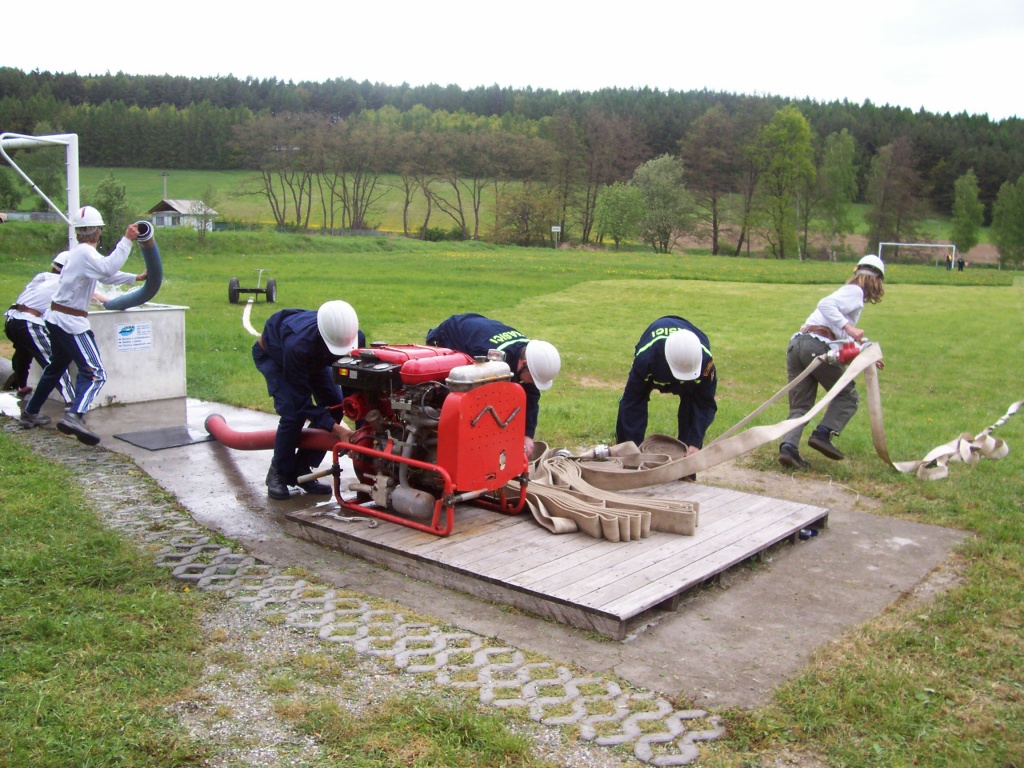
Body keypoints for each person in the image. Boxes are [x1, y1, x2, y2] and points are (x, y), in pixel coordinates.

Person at [19, 206, 146, 445]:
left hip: (56, 318)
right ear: (99, 231)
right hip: (70, 321)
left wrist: (134, 278)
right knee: (95, 373)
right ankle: (75, 415)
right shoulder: (86, 253)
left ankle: (30, 412)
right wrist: (127, 240)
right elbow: (107, 268)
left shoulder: (78, 253)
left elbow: (104, 274)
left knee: (56, 368)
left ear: (78, 232)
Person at [778, 254, 886, 469]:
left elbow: (841, 336)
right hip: (815, 345)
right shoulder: (855, 292)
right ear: (876, 280)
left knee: (800, 405)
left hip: (797, 345)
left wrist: (866, 351)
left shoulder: (847, 294)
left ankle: (788, 449)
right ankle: (823, 434)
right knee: (847, 396)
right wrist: (850, 328)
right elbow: (825, 304)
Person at [253, 301, 364, 500]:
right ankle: (279, 471)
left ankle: (301, 468)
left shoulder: (354, 338)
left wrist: (361, 432)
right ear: (323, 335)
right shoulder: (298, 346)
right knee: (292, 413)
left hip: (313, 360)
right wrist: (340, 431)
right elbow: (300, 403)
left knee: (335, 404)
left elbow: (354, 388)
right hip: (275, 357)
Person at [425, 313, 561, 458]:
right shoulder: (492, 359)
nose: (532, 383)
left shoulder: (530, 354)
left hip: (476, 326)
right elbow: (482, 402)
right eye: (533, 379)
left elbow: (531, 394)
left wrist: (527, 435)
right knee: (448, 394)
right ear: (523, 364)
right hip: (450, 333)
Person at [615, 317, 718, 463]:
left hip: (694, 379)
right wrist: (633, 449)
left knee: (691, 412)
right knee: (628, 407)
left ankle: (686, 469)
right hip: (655, 364)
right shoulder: (646, 358)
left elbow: (704, 404)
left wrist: (695, 441)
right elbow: (633, 402)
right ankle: (624, 461)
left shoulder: (706, 364)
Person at [4, 251, 75, 402]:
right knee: (54, 360)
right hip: (29, 322)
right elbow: (92, 297)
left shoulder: (42, 277)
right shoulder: (63, 283)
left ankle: (22, 387)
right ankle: (71, 400)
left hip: (12, 319)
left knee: (22, 353)